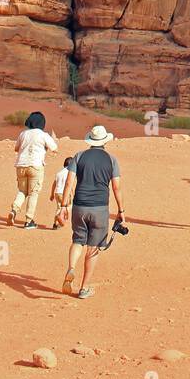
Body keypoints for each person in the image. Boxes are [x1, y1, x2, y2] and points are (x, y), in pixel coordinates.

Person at [59, 125, 125, 299]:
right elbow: (116, 187)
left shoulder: (79, 156)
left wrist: (64, 206)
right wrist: (121, 210)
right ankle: (83, 288)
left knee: (78, 240)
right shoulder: (111, 160)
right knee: (93, 248)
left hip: (79, 206)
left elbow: (68, 183)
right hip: (100, 208)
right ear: (105, 141)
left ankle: (71, 268)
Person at [7, 111, 58, 229]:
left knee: (22, 191)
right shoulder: (43, 134)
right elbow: (55, 149)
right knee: (33, 193)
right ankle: (29, 221)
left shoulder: (23, 134)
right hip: (36, 166)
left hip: (21, 165)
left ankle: (14, 210)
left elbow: (16, 149)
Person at [50, 156, 73, 228]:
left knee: (59, 207)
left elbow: (54, 184)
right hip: (65, 193)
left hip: (57, 192)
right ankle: (60, 218)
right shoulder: (70, 173)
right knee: (69, 206)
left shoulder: (59, 173)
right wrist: (72, 194)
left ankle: (55, 224)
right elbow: (69, 184)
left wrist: (52, 194)